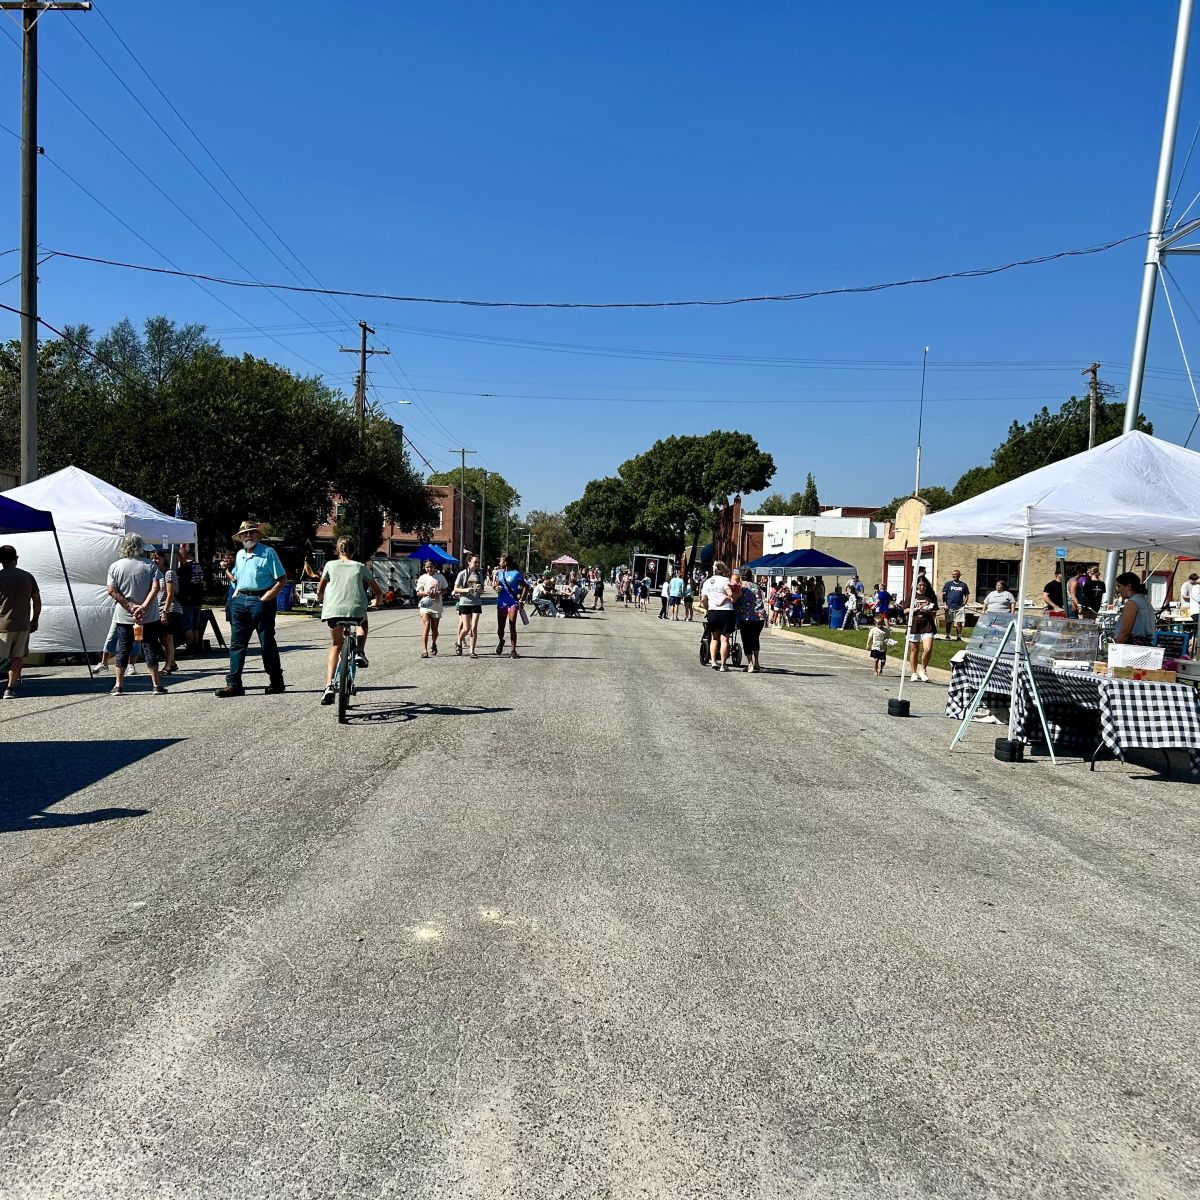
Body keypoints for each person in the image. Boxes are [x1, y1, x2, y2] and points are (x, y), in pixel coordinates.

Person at [217, 520, 287, 698]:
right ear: (240, 537)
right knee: (236, 644)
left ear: (257, 535)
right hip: (240, 600)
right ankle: (234, 684)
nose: (248, 536)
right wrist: (233, 586)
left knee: (266, 642)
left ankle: (276, 681)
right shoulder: (240, 555)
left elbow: (281, 579)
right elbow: (237, 579)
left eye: (252, 532)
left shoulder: (268, 553)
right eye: (245, 533)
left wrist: (266, 597)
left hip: (260, 599)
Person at [317, 535, 382, 704]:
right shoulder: (360, 567)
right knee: (363, 621)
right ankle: (360, 651)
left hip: (334, 611)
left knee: (336, 645)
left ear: (338, 550)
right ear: (354, 550)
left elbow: (320, 589)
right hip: (356, 610)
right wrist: (377, 602)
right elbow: (378, 591)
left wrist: (320, 599)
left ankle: (329, 685)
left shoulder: (330, 565)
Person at [105, 533, 168, 696]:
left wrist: (129, 606)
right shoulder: (149, 565)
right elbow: (156, 588)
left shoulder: (115, 566)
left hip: (124, 615)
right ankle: (156, 684)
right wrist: (144, 607)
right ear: (140, 547)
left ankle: (118, 685)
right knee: (150, 647)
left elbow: (112, 591)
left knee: (123, 649)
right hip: (148, 615)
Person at [0, 544, 40, 700]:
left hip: (2, 625)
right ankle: (10, 689)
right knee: (17, 657)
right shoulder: (27, 576)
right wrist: (35, 620)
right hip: (22, 625)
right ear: (15, 559)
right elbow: (36, 601)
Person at [150, 547, 181, 674]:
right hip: (158, 609)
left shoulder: (169, 573)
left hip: (171, 609)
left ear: (163, 559)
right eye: (152, 558)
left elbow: (170, 594)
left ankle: (167, 666)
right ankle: (172, 662)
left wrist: (165, 612)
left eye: (157, 558)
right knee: (161, 639)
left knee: (168, 638)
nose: (154, 560)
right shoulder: (154, 574)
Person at [701, 560, 735, 672]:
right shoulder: (725, 580)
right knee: (725, 639)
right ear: (723, 570)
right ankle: (723, 665)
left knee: (714, 638)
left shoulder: (707, 582)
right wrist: (729, 597)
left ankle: (714, 661)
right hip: (725, 611)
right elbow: (730, 593)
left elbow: (703, 599)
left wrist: (707, 608)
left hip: (713, 611)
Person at [907, 575, 939, 683]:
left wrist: (928, 610)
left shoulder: (930, 596)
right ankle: (914, 672)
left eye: (924, 585)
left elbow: (935, 611)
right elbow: (904, 610)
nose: (922, 587)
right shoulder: (912, 596)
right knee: (914, 650)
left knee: (928, 648)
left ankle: (923, 669)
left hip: (927, 624)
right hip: (915, 624)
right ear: (916, 586)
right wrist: (916, 609)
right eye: (920, 585)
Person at [175, 543, 206, 655]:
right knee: (195, 625)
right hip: (198, 599)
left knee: (187, 625)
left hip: (187, 600)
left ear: (181, 556)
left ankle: (190, 647)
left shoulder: (183, 568)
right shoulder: (198, 566)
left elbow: (182, 584)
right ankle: (196, 646)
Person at [453, 553, 486, 656]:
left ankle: (472, 651)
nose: (477, 564)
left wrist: (480, 590)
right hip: (465, 602)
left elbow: (482, 590)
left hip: (476, 602)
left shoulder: (479, 574)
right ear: (469, 562)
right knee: (466, 628)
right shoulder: (462, 574)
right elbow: (455, 589)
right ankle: (459, 640)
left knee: (474, 627)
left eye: (478, 562)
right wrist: (466, 589)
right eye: (475, 562)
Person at [733, 567, 766, 672]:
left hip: (746, 617)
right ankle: (757, 662)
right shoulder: (757, 587)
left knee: (746, 639)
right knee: (755, 639)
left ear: (741, 576)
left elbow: (736, 601)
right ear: (751, 576)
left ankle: (750, 664)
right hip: (759, 617)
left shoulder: (740, 587)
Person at [494, 553, 527, 658]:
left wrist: (522, 599)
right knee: (500, 627)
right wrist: (496, 587)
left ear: (506, 562)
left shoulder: (516, 574)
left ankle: (513, 650)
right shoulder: (499, 573)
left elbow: (526, 586)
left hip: (512, 603)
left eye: (501, 561)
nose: (499, 563)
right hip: (501, 603)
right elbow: (496, 584)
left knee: (512, 625)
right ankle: (501, 641)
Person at [416, 558, 448, 658]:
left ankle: (433, 643)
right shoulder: (422, 578)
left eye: (431, 567)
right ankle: (424, 650)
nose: (429, 569)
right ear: (424, 568)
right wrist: (426, 592)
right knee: (426, 625)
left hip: (437, 605)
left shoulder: (440, 577)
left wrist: (439, 592)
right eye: (427, 567)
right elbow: (418, 592)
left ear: (434, 567)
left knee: (434, 629)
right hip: (425, 604)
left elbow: (445, 590)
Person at [1112, 572, 1155, 645]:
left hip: (1131, 647)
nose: (1118, 590)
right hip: (1145, 645)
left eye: (1119, 586)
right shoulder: (1145, 602)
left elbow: (1125, 632)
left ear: (1128, 586)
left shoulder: (1132, 603)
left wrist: (1115, 647)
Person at [940, 570, 970, 639]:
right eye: (953, 574)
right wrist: (945, 604)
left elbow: (967, 595)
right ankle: (948, 635)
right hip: (949, 606)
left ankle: (959, 636)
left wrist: (964, 604)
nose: (954, 575)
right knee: (949, 622)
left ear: (959, 575)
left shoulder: (963, 585)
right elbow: (944, 595)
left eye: (955, 574)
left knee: (959, 622)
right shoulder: (948, 584)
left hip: (959, 607)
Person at [866, 612, 891, 676]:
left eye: (881, 624)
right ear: (875, 623)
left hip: (883, 647)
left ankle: (881, 669)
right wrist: (868, 644)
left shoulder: (886, 630)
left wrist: (890, 643)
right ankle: (875, 671)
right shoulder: (873, 630)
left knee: (883, 661)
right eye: (878, 624)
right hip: (875, 647)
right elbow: (870, 637)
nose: (880, 625)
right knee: (876, 659)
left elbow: (888, 638)